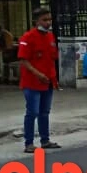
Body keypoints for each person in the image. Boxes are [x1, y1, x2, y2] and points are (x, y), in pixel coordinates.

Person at [17, 8, 62, 154]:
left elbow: (52, 59)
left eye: (49, 19)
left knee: (45, 112)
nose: (48, 23)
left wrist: (54, 79)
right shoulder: (28, 37)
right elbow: (24, 60)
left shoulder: (50, 37)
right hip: (32, 82)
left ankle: (45, 140)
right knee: (32, 112)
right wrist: (38, 74)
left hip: (47, 81)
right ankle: (29, 143)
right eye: (45, 20)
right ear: (36, 21)